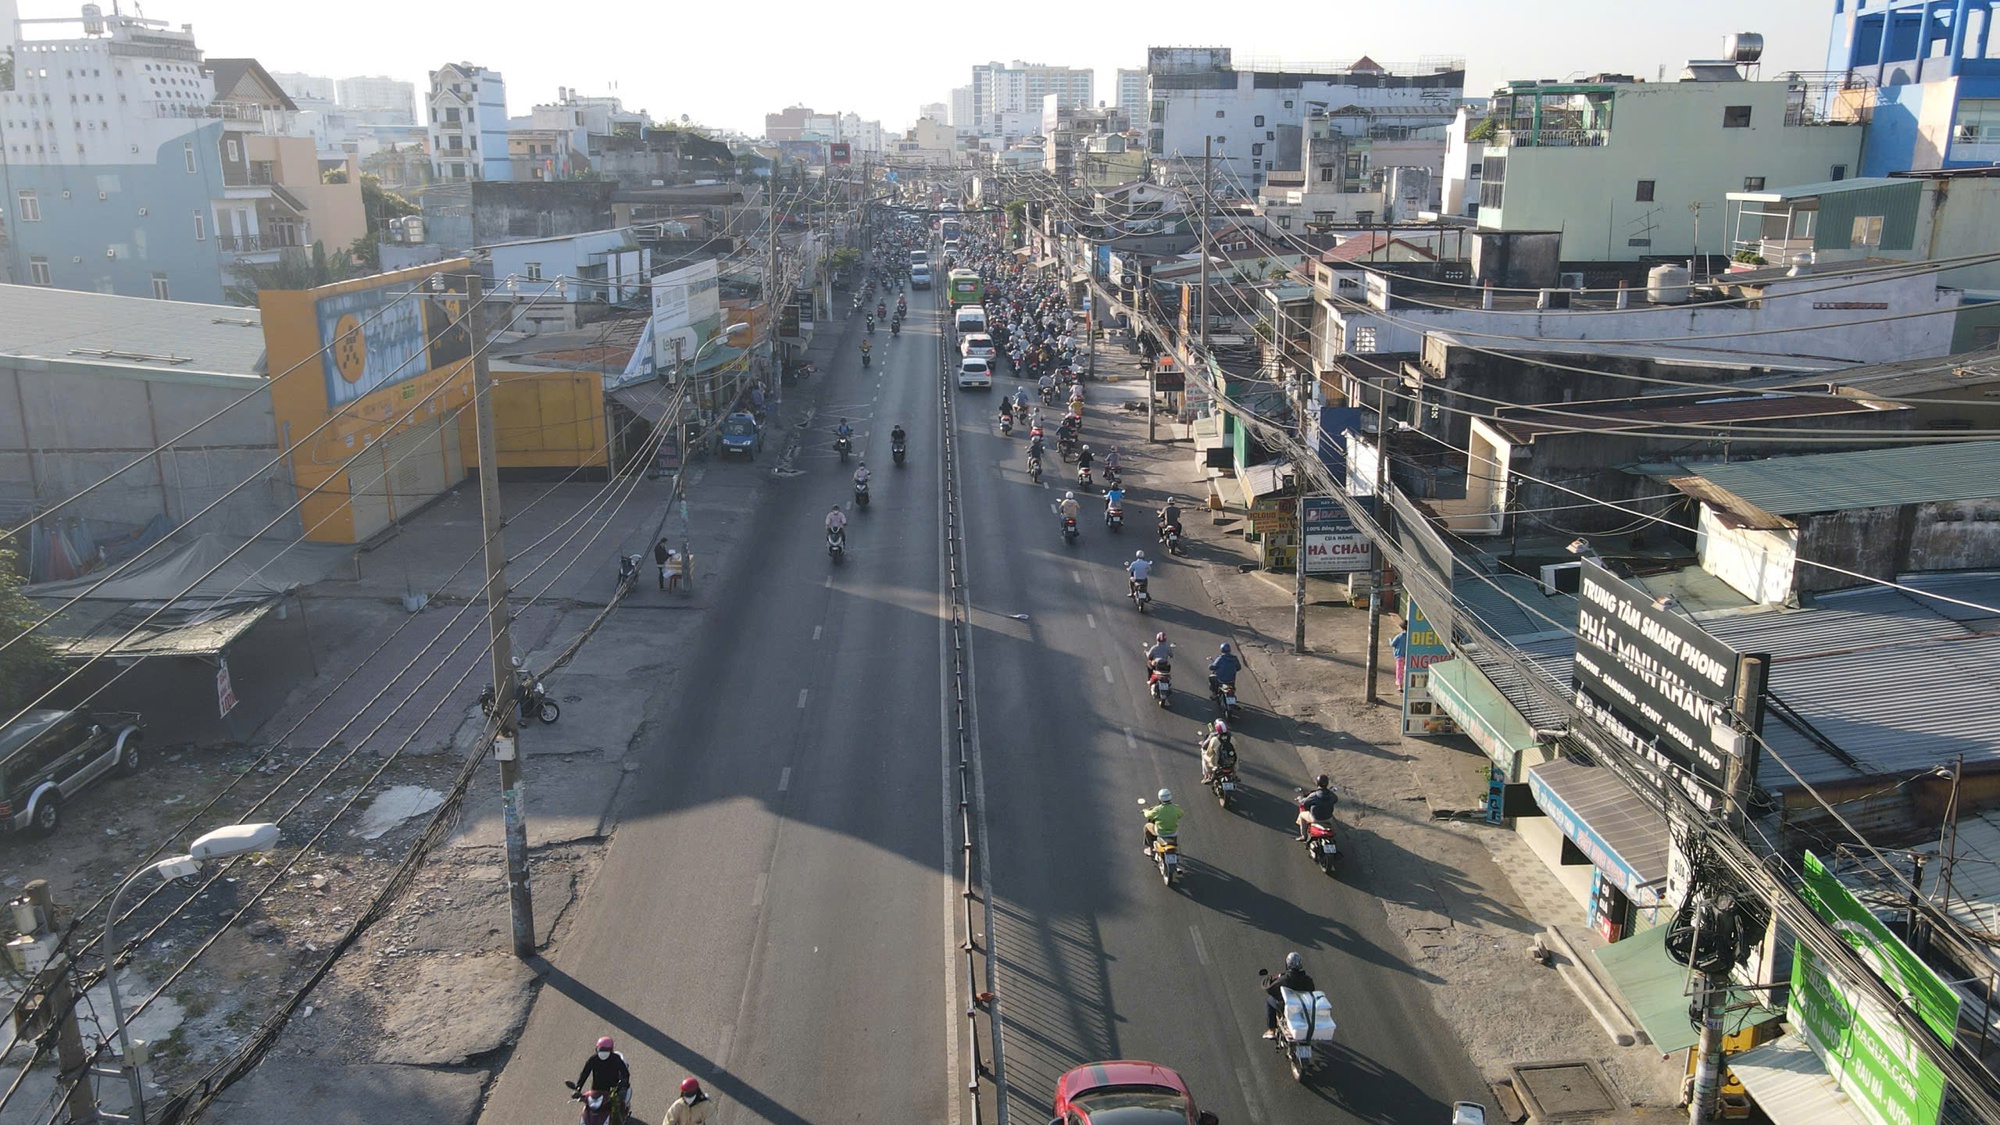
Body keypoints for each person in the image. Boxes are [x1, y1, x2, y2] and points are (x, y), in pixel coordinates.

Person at [1263, 952, 1318, 1038]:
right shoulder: (1307, 980)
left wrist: (1270, 979)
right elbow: (1311, 990)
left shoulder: (1285, 979)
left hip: (1287, 1007)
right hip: (1303, 1008)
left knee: (1269, 1002)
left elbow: (1270, 989)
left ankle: (1271, 1030)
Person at [576, 1036, 633, 1114]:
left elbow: (625, 1074)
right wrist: (578, 1088)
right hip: (596, 1092)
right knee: (588, 1110)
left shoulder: (596, 1059)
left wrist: (623, 1085)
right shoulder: (594, 1059)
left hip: (612, 1092)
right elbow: (584, 1074)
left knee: (617, 1112)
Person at [1296, 774, 1338, 840]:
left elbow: (1305, 803)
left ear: (1317, 783)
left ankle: (1303, 836)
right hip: (1328, 818)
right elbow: (1335, 800)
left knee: (1301, 815)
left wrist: (1300, 799)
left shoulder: (1314, 795)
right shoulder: (1331, 795)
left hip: (1315, 818)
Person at [1142, 787, 1182, 856]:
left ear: (1160, 798)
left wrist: (1145, 811)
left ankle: (1151, 849)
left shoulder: (1158, 810)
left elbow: (1148, 815)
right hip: (1173, 832)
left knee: (1147, 826)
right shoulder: (1176, 808)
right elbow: (1181, 814)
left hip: (1160, 833)